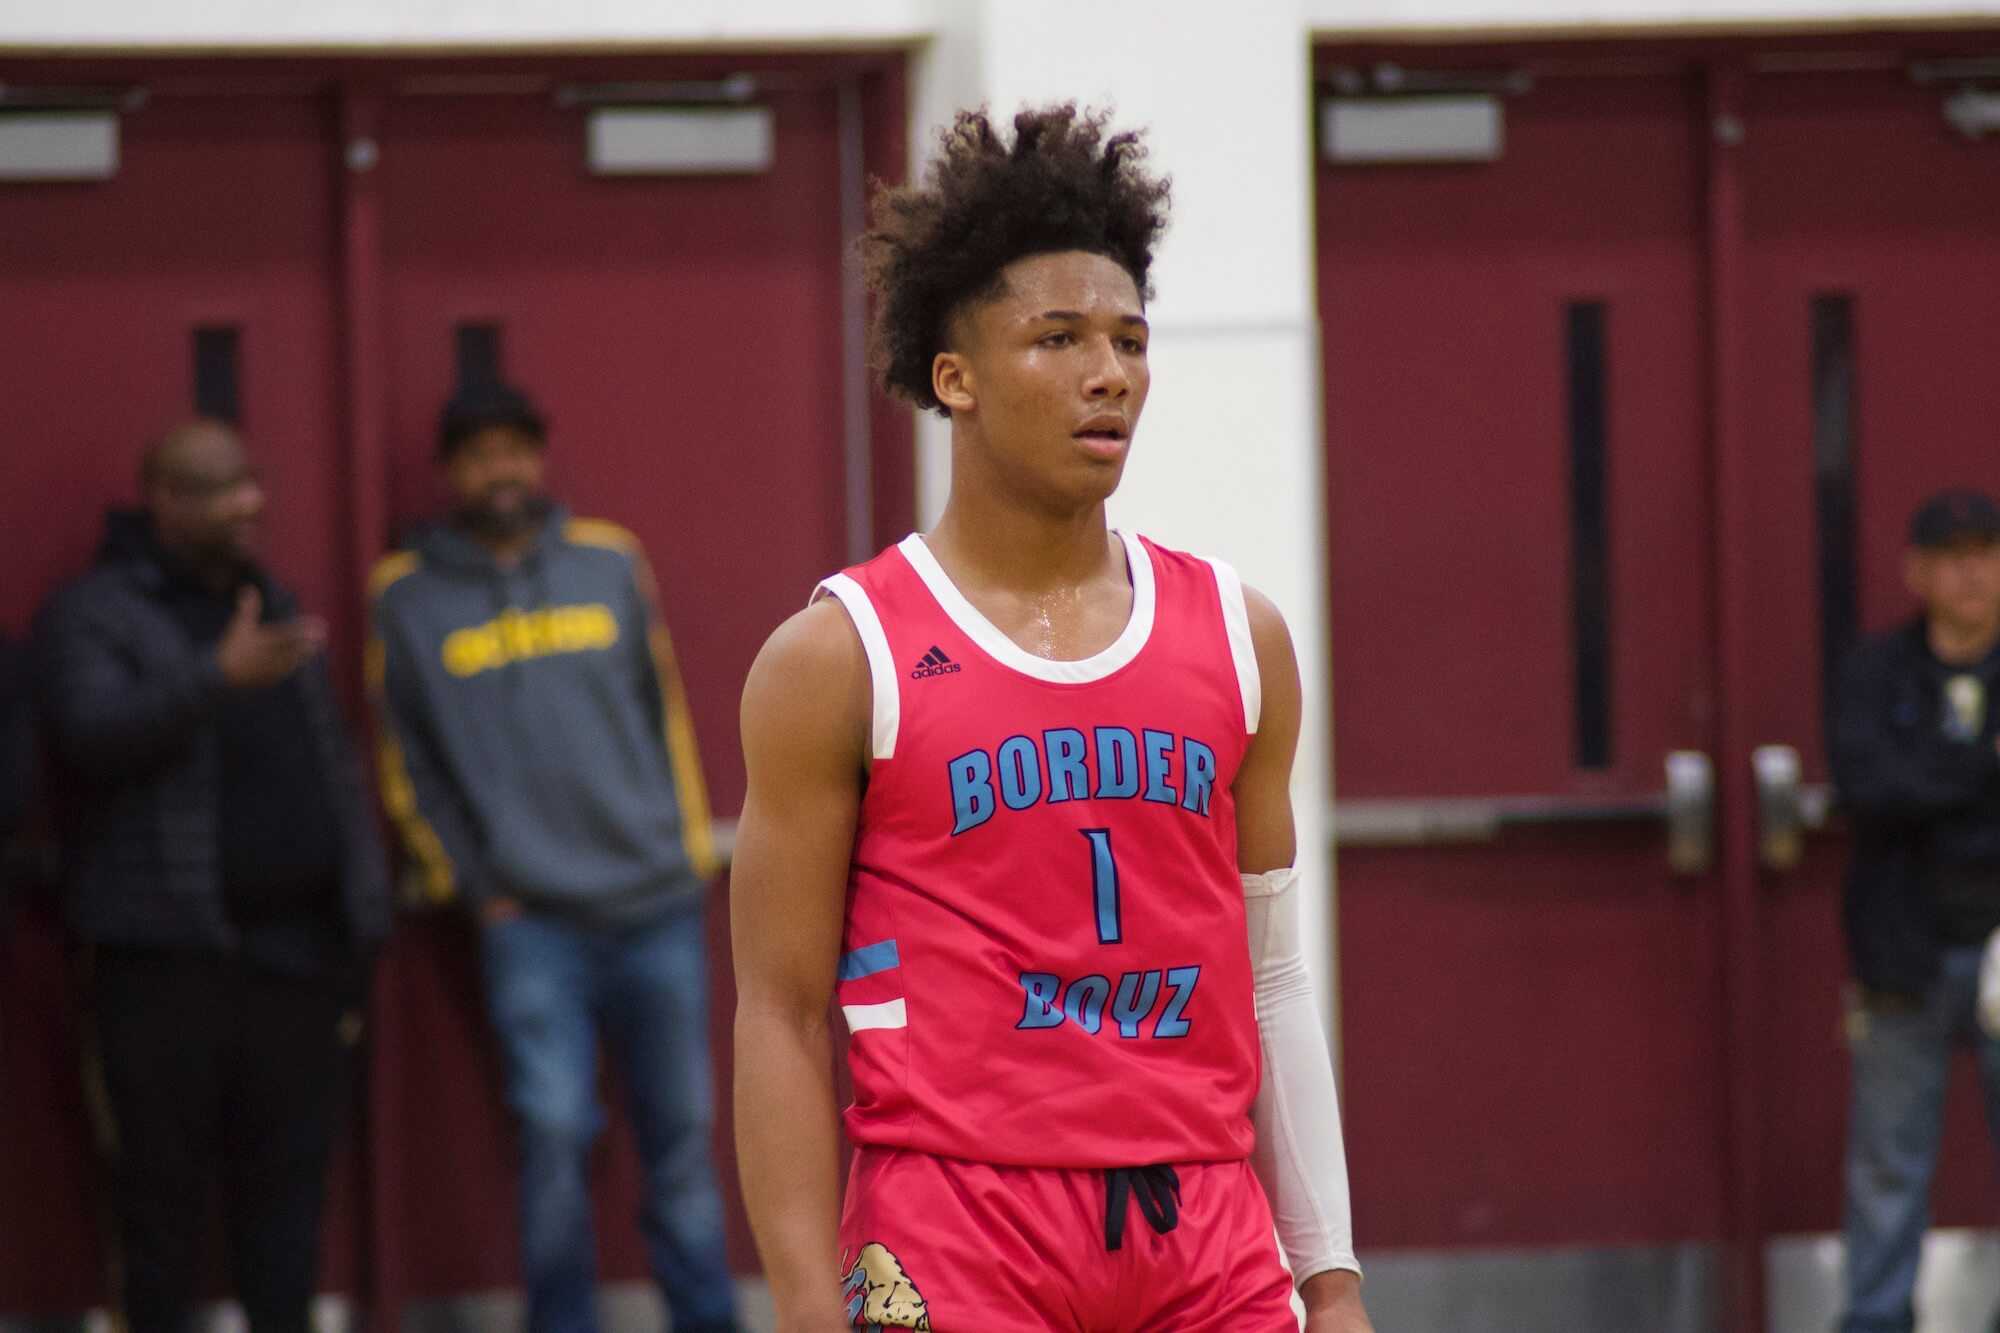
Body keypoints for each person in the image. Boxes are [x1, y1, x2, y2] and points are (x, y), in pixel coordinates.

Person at [730, 105, 1371, 1333]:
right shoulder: (838, 657)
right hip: (954, 1225)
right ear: (953, 378)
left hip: (1204, 1226)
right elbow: (781, 1011)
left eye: (1129, 339)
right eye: (1058, 338)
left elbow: (1273, 978)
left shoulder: (1239, 636)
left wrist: (1329, 1278)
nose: (1107, 372)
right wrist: (809, 1305)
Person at [369, 381, 740, 1333]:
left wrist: (684, 850)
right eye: (479, 453)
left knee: (684, 1141)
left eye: (515, 448)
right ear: (452, 470)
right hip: (531, 922)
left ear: (537, 457)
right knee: (552, 1134)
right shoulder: (406, 596)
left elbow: (662, 710)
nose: (501, 469)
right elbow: (405, 759)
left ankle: (707, 1319)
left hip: (654, 904)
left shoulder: (608, 561)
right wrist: (472, 883)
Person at [35, 419, 388, 1333]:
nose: (249, 502)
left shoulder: (269, 599)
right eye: (221, 486)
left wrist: (363, 902)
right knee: (157, 1206)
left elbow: (330, 762)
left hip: (297, 962)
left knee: (289, 1203)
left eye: (251, 481)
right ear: (162, 498)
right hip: (163, 965)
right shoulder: (94, 612)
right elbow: (88, 736)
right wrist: (212, 676)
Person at [1829, 488, 2000, 1333]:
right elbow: (1871, 790)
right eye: (1953, 557)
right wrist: (1979, 767)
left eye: (1987, 554)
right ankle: (1876, 1317)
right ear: (1917, 572)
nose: (1973, 574)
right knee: (1888, 1162)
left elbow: (1907, 788)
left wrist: (1930, 778)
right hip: (1904, 945)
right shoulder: (1876, 673)